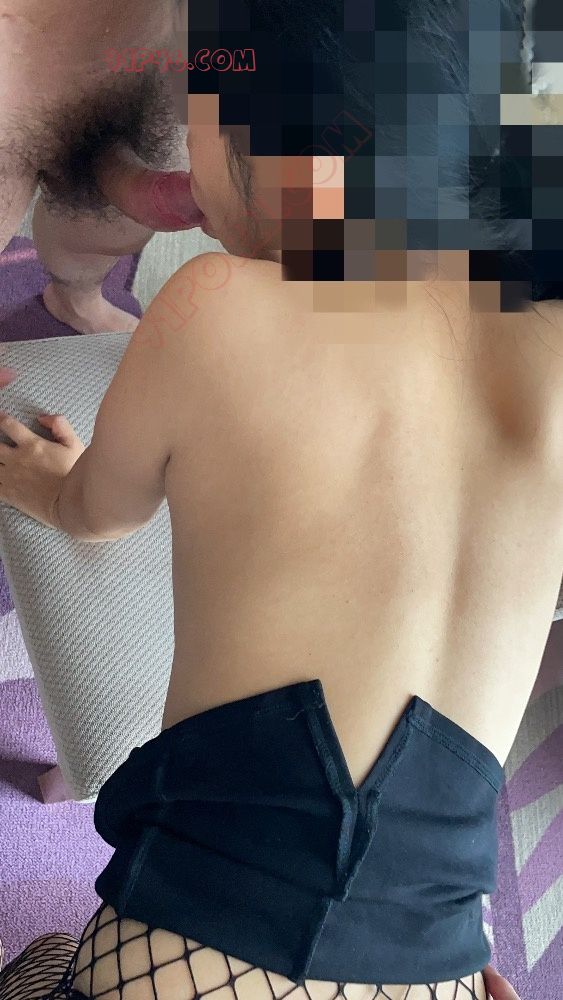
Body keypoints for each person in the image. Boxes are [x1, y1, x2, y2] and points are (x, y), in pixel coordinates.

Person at [0, 0, 560, 996]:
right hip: (438, 965)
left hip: (185, 956)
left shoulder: (215, 304)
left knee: (37, 966)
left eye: (196, 107)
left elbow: (99, 513)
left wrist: (40, 478)